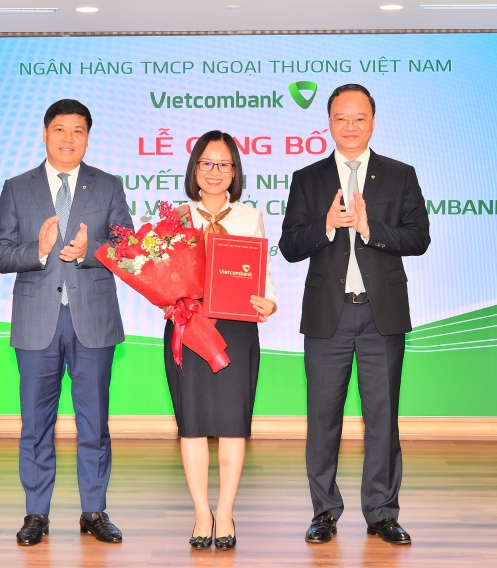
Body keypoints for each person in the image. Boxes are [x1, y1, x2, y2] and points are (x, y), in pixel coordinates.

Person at [279, 84, 430, 545]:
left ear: (373, 122)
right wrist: (326, 226)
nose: (350, 126)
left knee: (382, 419)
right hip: (329, 316)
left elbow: (419, 238)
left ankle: (382, 513)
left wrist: (369, 228)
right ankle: (324, 512)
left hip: (381, 316)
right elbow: (289, 246)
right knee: (322, 418)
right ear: (328, 122)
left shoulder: (399, 175)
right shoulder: (308, 178)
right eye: (341, 118)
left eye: (359, 118)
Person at [0, 99, 133, 547]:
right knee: (36, 424)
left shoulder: (107, 186)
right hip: (37, 321)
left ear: (88, 137)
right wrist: (38, 249)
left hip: (94, 320)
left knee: (95, 423)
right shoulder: (17, 188)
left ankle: (94, 511)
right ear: (44, 133)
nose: (68, 139)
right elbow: (0, 254)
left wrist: (91, 252)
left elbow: (128, 249)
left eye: (78, 131)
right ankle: (36, 513)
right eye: (59, 129)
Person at [165, 130, 277, 551]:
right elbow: (163, 274)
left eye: (224, 164)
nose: (215, 172)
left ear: (235, 172)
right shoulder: (176, 217)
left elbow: (262, 275)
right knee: (192, 425)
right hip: (188, 326)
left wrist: (269, 302)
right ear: (195, 168)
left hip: (236, 327)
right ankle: (201, 514)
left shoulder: (250, 216)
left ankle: (226, 512)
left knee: (233, 423)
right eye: (207, 163)